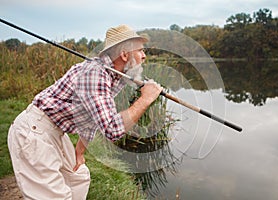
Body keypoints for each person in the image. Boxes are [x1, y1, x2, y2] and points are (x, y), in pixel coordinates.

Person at [7, 24, 163, 199]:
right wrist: (146, 98)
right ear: (125, 54)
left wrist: (79, 151)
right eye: (140, 51)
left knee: (78, 176)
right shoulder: (95, 74)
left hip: (54, 131)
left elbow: (90, 119)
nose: (144, 56)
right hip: (34, 132)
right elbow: (112, 129)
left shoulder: (112, 76)